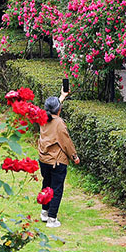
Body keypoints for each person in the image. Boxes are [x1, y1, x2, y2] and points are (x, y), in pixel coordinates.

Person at [38, 94, 79, 228]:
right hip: (57, 161)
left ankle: (44, 212)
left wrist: (62, 96)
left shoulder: (42, 118)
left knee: (47, 185)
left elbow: (53, 109)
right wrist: (74, 157)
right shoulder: (59, 123)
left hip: (44, 159)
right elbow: (66, 142)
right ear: (59, 109)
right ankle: (52, 219)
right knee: (56, 189)